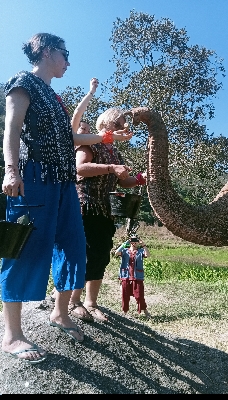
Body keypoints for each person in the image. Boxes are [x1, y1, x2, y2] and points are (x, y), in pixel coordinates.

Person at [0, 33, 132, 364]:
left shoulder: (55, 98)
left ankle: (60, 313)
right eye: (64, 53)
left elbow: (72, 136)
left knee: (73, 246)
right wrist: (11, 170)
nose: (68, 61)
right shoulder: (23, 82)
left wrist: (107, 135)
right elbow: (12, 130)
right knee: (23, 249)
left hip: (63, 185)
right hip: (34, 178)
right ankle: (12, 335)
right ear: (46, 51)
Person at [50, 80, 147, 323]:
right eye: (120, 124)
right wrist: (111, 167)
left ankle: (92, 302)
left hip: (105, 211)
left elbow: (123, 182)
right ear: (107, 124)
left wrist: (138, 179)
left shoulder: (116, 152)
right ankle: (72, 301)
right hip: (84, 207)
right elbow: (80, 169)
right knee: (82, 253)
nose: (124, 128)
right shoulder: (87, 144)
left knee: (101, 255)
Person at [115, 236, 151, 319]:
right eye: (132, 241)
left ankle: (144, 310)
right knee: (125, 295)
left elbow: (148, 255)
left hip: (137, 276)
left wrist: (143, 245)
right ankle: (124, 312)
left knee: (139, 295)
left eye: (136, 241)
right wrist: (125, 243)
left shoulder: (140, 251)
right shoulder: (124, 251)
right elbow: (116, 252)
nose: (134, 243)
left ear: (138, 242)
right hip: (125, 276)